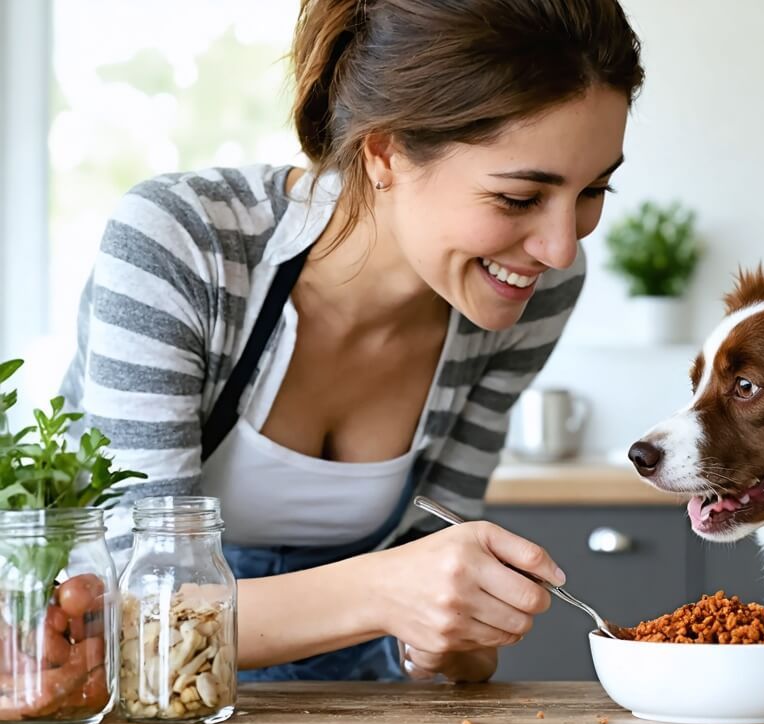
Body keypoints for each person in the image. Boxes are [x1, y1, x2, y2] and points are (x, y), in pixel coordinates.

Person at [60, 0, 643, 682]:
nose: (560, 246)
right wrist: (386, 592)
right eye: (518, 198)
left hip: (366, 702)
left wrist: (453, 636)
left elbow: (438, 577)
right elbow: (128, 614)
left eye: (594, 191)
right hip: (158, 702)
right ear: (385, 151)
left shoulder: (533, 291)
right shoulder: (184, 244)